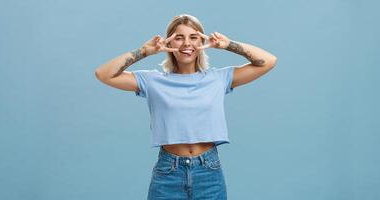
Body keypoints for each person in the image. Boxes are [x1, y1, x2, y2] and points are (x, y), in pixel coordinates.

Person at [95, 14, 277, 200]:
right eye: (179, 37)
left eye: (193, 37)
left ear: (202, 41)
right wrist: (144, 51)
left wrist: (228, 44)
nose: (186, 44)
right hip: (168, 173)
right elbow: (103, 74)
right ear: (169, 43)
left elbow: (268, 61)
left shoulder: (218, 78)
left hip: (208, 172)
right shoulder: (152, 81)